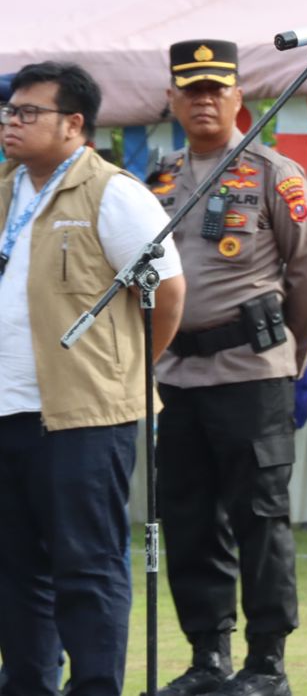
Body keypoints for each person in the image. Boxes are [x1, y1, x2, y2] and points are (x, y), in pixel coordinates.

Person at [146, 41, 307, 696]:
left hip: (251, 375)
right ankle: (208, 657)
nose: (203, 101)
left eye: (214, 90)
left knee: (260, 520)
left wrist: (287, 362)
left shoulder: (274, 173)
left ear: (237, 98)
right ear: (171, 99)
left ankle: (266, 663)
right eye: (191, 90)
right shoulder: (158, 180)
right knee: (189, 520)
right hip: (178, 378)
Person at [0, 61, 187, 696]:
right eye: (10, 111)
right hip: (7, 412)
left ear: (73, 124)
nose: (12, 122)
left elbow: (167, 294)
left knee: (86, 567)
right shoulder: (6, 189)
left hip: (84, 416)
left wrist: (123, 375)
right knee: (14, 570)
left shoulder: (113, 193)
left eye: (29, 112)